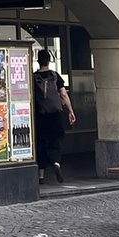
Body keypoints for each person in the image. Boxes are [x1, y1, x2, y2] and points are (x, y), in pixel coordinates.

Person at [33, 48, 75, 183]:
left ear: (38, 61)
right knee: (56, 139)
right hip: (55, 114)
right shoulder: (55, 75)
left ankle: (41, 175)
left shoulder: (33, 77)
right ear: (49, 61)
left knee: (41, 142)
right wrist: (70, 110)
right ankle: (56, 163)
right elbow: (63, 94)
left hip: (40, 115)